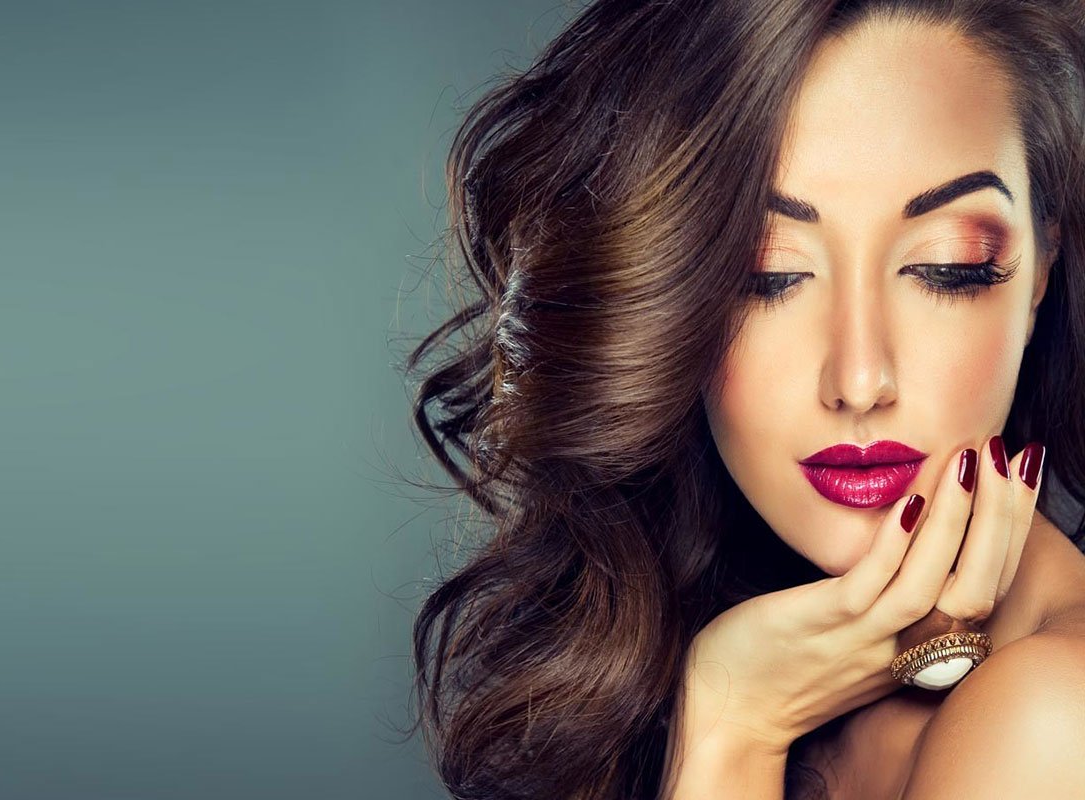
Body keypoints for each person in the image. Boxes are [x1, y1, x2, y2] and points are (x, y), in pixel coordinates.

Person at [401, 1, 1085, 798]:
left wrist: (734, 732)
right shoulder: (712, 632)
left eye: (946, 267)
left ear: (1039, 269)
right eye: (770, 275)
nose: (859, 380)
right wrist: (738, 703)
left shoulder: (1052, 717)